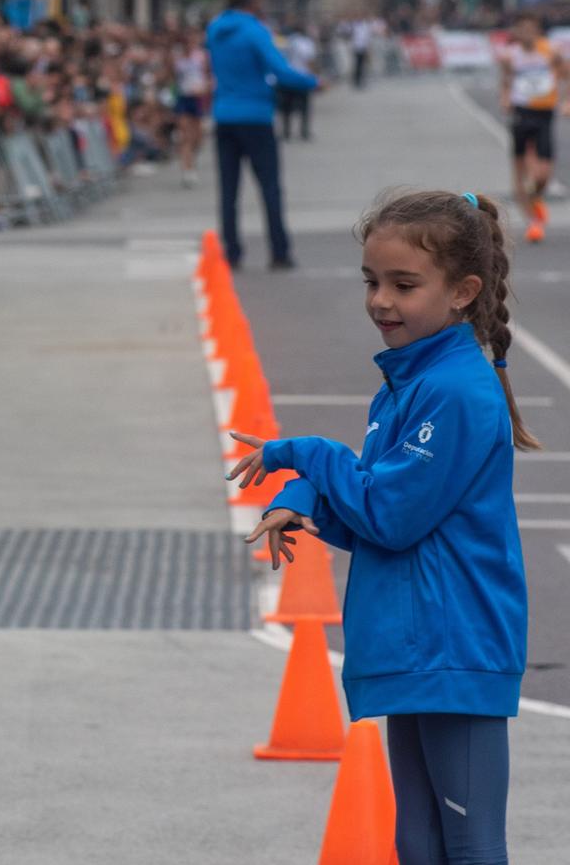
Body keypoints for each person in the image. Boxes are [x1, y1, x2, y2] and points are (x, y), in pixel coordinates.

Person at [229, 189, 533, 865]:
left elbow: (391, 514)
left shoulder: (454, 389)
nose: (381, 301)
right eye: (371, 281)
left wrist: (302, 453)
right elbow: (373, 507)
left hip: (455, 643)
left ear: (463, 291)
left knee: (471, 844)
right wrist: (303, 499)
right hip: (415, 641)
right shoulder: (407, 383)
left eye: (404, 284)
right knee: (417, 843)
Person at [207, 0, 317, 271]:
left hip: (224, 115)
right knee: (269, 187)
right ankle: (279, 251)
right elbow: (280, 70)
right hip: (255, 116)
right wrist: (312, 82)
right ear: (253, 3)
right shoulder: (255, 31)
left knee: (228, 190)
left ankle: (232, 251)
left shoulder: (215, 29)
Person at [497, 12, 562, 244]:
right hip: (521, 112)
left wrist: (567, 100)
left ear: (537, 29)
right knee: (521, 169)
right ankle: (533, 222)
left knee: (543, 174)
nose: (526, 33)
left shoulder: (551, 51)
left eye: (530, 28)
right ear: (515, 31)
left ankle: (536, 199)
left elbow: (566, 74)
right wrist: (505, 97)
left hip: (544, 113)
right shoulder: (509, 55)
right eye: (521, 28)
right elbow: (505, 81)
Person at [172, 30, 210, 186]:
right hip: (183, 98)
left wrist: (206, 87)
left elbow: (209, 76)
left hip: (198, 99)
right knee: (185, 135)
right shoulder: (177, 58)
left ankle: (191, 159)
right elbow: (171, 78)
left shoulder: (202, 57)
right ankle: (187, 169)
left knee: (198, 137)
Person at [278, 24, 318, 143]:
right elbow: (310, 60)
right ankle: (304, 131)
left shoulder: (285, 42)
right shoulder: (306, 42)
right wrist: (314, 76)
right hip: (302, 77)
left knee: (286, 107)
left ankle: (286, 132)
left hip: (287, 77)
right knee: (304, 107)